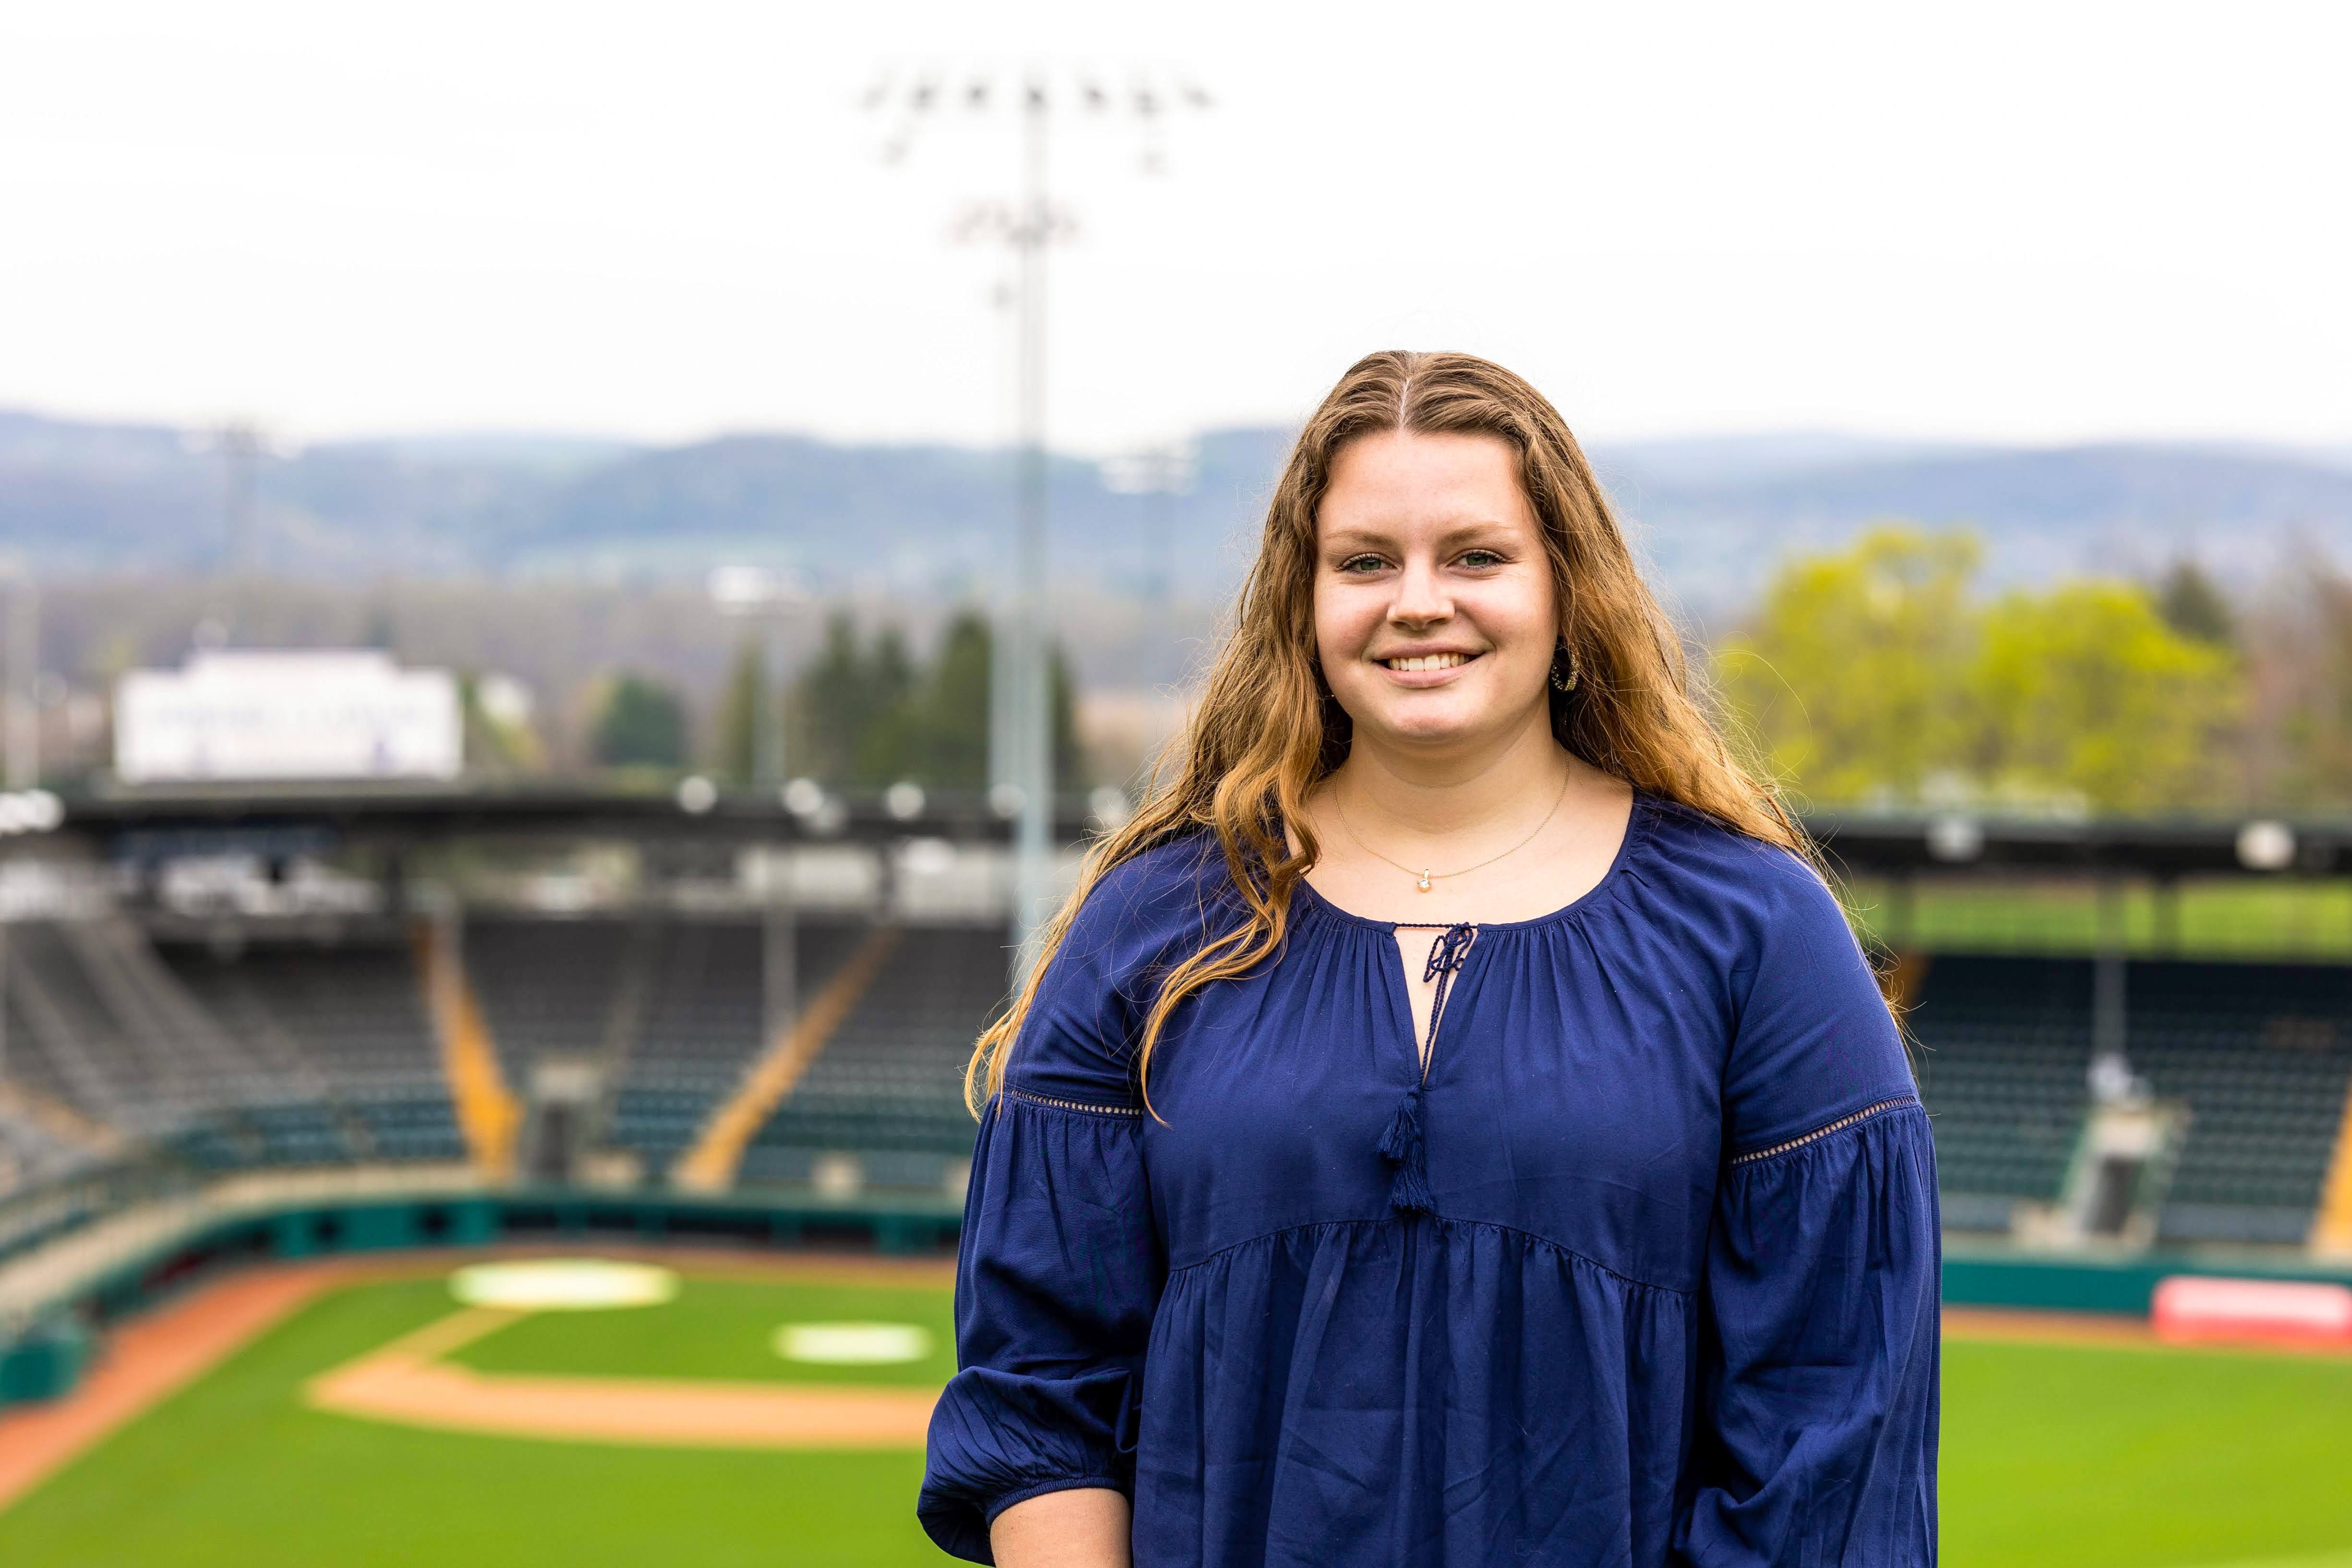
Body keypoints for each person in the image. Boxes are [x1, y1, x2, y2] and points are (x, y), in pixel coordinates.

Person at [920, 351, 1939, 1568]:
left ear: (1567, 588)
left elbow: (1831, 1431)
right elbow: (1042, 1393)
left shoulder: (1754, 927)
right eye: (1362, 561)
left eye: (1474, 555)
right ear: (1299, 602)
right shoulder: (1154, 927)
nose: (1416, 601)